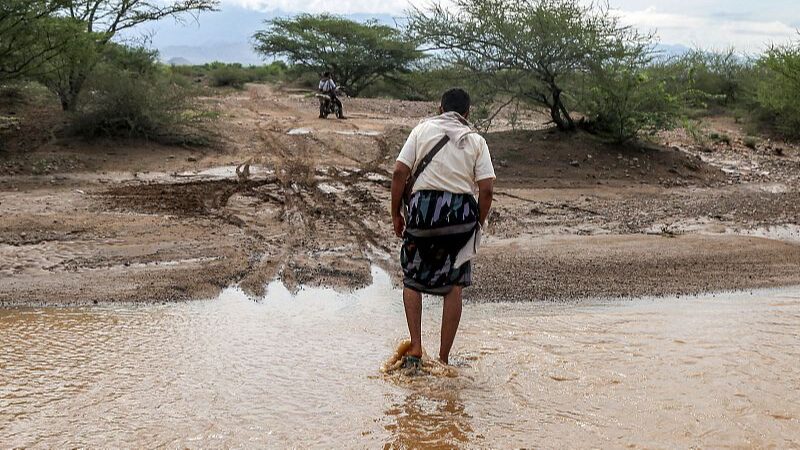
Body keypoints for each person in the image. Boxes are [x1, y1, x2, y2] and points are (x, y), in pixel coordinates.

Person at [390, 88, 495, 368]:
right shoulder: (476, 140)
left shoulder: (421, 131)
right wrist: (478, 224)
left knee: (412, 277)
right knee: (454, 284)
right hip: (460, 216)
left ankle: (415, 348)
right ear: (467, 114)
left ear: (439, 108)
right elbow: (486, 190)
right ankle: (444, 358)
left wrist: (396, 215)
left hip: (423, 212)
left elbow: (400, 172)